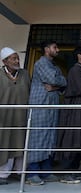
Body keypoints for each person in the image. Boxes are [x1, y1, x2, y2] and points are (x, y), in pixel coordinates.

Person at [27, 40, 67, 186]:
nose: (58, 50)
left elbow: (63, 82)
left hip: (51, 106)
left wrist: (57, 86)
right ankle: (33, 173)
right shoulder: (41, 63)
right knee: (38, 137)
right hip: (40, 105)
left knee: (50, 137)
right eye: (55, 47)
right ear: (46, 49)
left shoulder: (53, 66)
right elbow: (53, 79)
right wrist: (60, 82)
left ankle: (46, 171)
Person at [55, 46, 81, 184]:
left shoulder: (80, 70)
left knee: (79, 138)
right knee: (72, 138)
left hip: (80, 109)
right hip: (75, 109)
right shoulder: (76, 70)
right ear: (79, 55)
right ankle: (67, 172)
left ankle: (73, 171)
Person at [0, 47, 30, 185]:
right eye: (13, 58)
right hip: (4, 118)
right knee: (5, 143)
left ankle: (18, 172)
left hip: (21, 117)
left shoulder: (24, 74)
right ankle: (2, 174)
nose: (17, 61)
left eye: (17, 58)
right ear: (5, 61)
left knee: (20, 143)